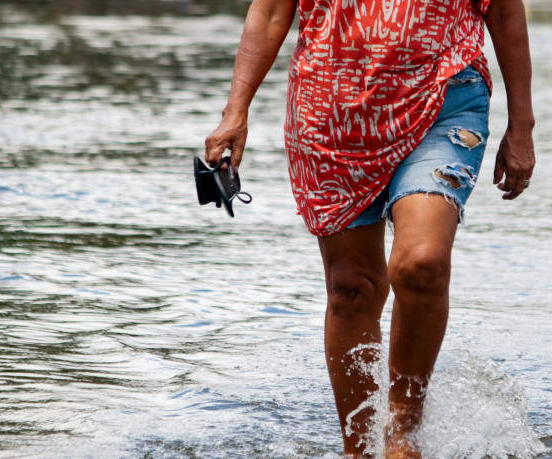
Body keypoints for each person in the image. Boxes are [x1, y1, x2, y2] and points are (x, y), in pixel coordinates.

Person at [205, 0, 535, 456]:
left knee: (422, 264)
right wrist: (235, 111)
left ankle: (402, 438)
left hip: (443, 98)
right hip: (331, 115)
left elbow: (502, 11)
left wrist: (522, 123)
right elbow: (269, 12)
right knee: (350, 288)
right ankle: (358, 449)